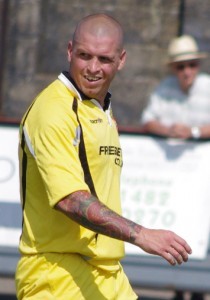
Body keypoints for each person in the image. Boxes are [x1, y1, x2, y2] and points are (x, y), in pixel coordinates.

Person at [15, 14, 192, 300]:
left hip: (106, 273)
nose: (93, 68)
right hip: (56, 275)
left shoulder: (101, 109)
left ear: (121, 60)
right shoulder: (53, 111)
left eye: (104, 59)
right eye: (84, 56)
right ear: (70, 51)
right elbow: (69, 199)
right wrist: (141, 234)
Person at [140, 35, 210, 300]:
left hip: (203, 179)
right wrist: (168, 129)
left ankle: (197, 289)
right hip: (177, 180)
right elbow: (148, 120)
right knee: (182, 232)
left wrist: (192, 131)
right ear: (173, 69)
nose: (187, 71)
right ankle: (183, 288)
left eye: (191, 65)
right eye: (181, 66)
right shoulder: (164, 88)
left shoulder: (207, 86)